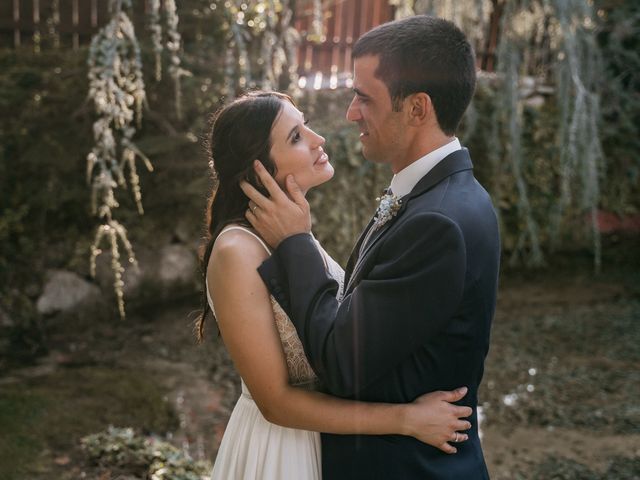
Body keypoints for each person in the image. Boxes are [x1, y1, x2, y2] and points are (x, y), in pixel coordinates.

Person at [241, 16, 500, 480]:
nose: (350, 112)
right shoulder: (437, 197)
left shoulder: (436, 222)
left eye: (364, 96)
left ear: (417, 108)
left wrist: (296, 242)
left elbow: (342, 362)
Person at [197, 91, 475, 480]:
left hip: (331, 445)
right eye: (296, 136)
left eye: (306, 125)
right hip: (280, 452)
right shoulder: (236, 252)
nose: (318, 139)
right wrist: (407, 419)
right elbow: (275, 403)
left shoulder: (289, 231)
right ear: (258, 166)